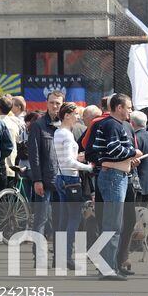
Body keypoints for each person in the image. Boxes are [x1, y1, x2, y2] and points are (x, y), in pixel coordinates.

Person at [86, 94, 144, 279]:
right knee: (113, 225)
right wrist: (134, 152)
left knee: (112, 225)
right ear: (119, 108)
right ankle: (108, 268)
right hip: (114, 177)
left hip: (114, 175)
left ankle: (108, 266)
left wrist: (127, 158)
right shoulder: (113, 125)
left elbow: (102, 151)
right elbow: (114, 150)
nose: (130, 111)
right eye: (129, 107)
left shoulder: (111, 124)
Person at [52, 103, 94, 266]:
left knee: (64, 219)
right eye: (75, 113)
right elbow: (69, 161)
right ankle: (67, 257)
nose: (78, 116)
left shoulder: (58, 132)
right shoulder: (67, 135)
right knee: (74, 219)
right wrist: (88, 167)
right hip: (70, 178)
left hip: (60, 176)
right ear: (67, 115)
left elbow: (65, 158)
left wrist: (78, 158)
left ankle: (59, 256)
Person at [25, 90, 61, 238]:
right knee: (41, 219)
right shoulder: (38, 125)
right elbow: (34, 155)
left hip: (62, 179)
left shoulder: (66, 126)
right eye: (52, 102)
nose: (55, 106)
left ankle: (60, 251)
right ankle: (38, 250)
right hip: (45, 179)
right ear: (46, 103)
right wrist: (37, 180)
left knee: (60, 220)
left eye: (58, 103)